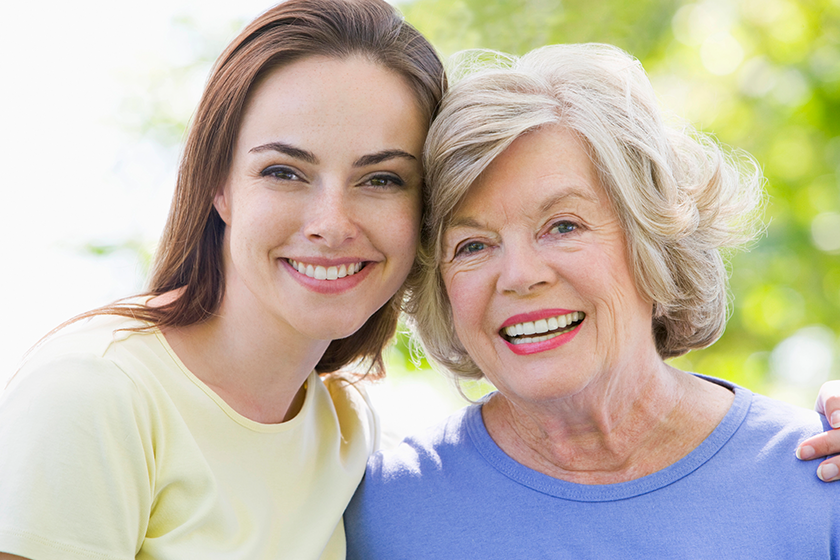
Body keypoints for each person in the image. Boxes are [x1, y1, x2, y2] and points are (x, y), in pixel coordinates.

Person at [345, 43, 839, 558]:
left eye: (563, 226)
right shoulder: (382, 512)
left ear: (652, 236)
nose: (519, 276)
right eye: (473, 245)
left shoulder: (819, 477)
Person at [0, 0, 444, 558]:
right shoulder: (96, 393)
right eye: (284, 172)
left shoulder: (344, 429)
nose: (332, 224)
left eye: (381, 179)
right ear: (220, 185)